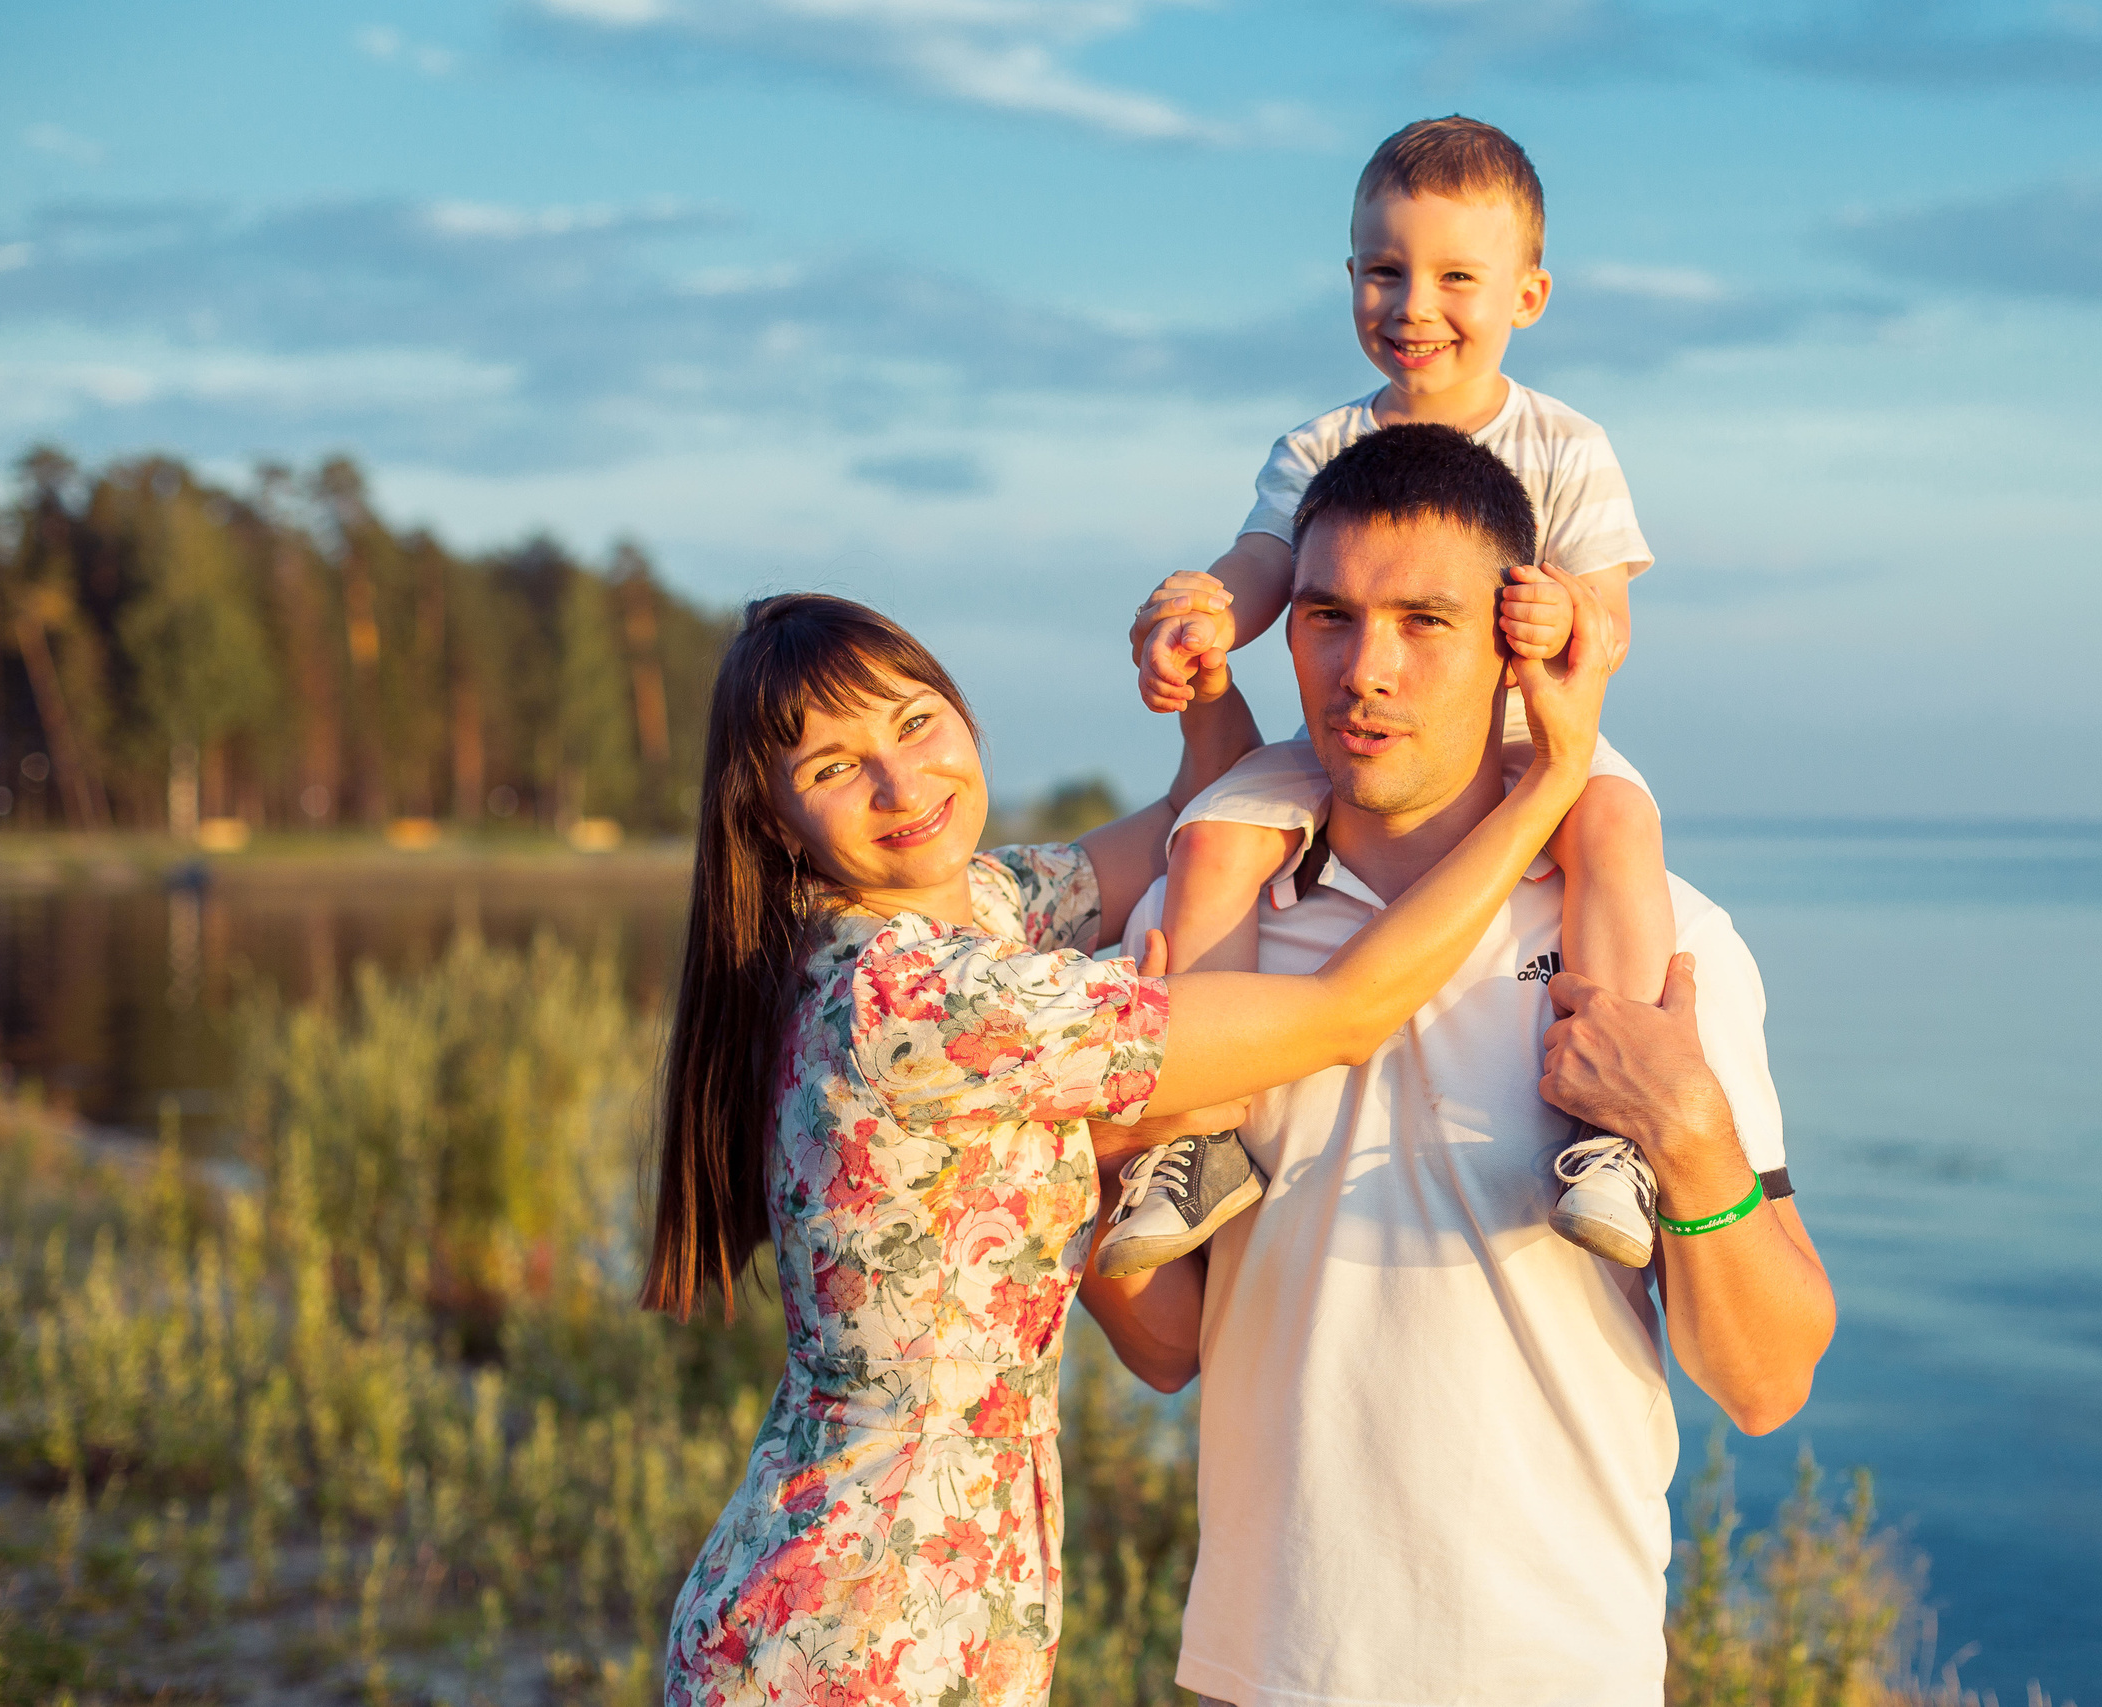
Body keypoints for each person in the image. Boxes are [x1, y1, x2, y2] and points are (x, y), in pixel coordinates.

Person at [647, 584, 1616, 1705]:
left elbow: (1195, 816)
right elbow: (1349, 1011)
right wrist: (1549, 782)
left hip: (910, 1594)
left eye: (915, 723)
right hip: (859, 1630)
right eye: (833, 767)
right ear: (773, 819)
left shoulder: (981, 912)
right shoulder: (913, 997)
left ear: (962, 715)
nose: (902, 784)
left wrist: (1204, 682)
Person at [1080, 425, 1838, 1707]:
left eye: (1423, 621)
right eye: (1327, 616)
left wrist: (1689, 1132)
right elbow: (1165, 1350)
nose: (1363, 670)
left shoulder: (1660, 939)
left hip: (1556, 1671)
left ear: (1512, 645)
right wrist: (1095, 1163)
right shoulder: (1207, 923)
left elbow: (1766, 1383)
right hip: (1261, 1667)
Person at [1099, 114, 1674, 1281]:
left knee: (1615, 821)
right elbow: (1266, 563)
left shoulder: (1565, 446)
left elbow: (1611, 617)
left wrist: (1565, 613)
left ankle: (1612, 1132)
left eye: (1457, 277)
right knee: (1212, 837)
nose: (1414, 305)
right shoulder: (1320, 445)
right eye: (1384, 271)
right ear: (1350, 278)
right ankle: (1202, 1132)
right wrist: (1204, 618)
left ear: (1528, 296)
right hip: (1359, 743)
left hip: (1525, 738)